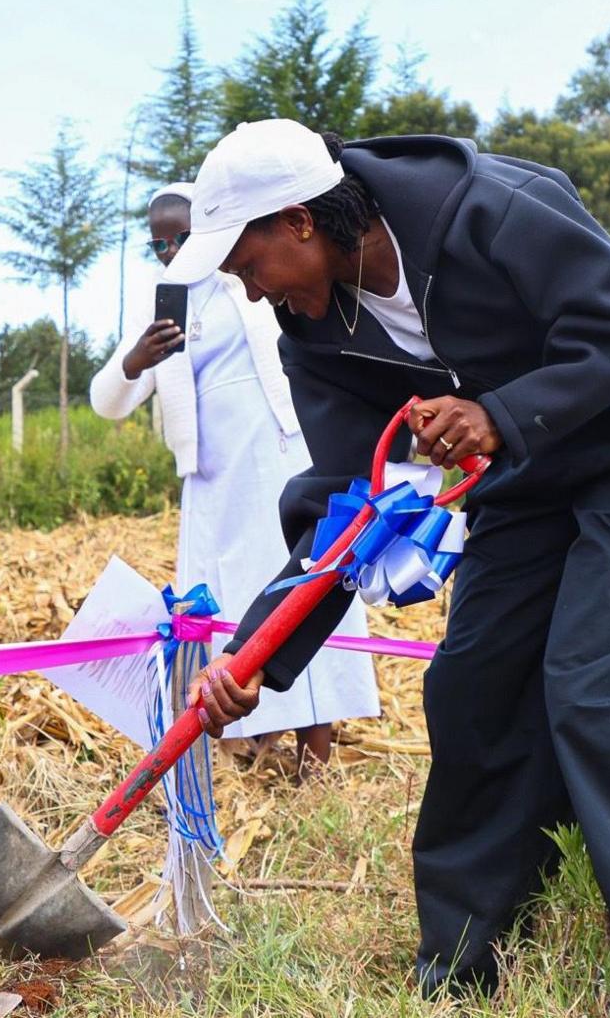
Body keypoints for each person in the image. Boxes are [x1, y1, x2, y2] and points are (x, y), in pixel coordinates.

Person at [180, 120, 610, 1015]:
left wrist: (500, 414)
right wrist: (257, 656)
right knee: (475, 688)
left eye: (246, 264)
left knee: (607, 699)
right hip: (525, 475)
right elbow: (346, 504)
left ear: (298, 222)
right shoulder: (310, 332)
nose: (247, 288)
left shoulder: (489, 210)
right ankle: (469, 965)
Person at [92, 183, 378, 775]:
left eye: (184, 237)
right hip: (215, 479)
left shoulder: (254, 279)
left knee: (300, 591)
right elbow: (107, 400)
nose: (171, 251)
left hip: (282, 460)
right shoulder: (164, 300)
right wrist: (134, 362)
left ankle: (315, 755)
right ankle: (239, 746)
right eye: (159, 243)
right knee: (228, 606)